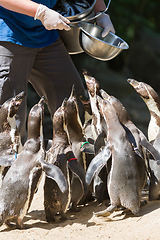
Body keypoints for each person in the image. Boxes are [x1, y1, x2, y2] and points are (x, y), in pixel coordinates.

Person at [0, 0, 115, 143]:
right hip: (8, 34)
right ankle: (9, 162)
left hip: (45, 34)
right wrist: (40, 12)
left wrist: (101, 13)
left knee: (74, 104)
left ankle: (77, 159)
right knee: (9, 119)